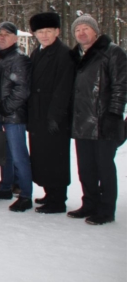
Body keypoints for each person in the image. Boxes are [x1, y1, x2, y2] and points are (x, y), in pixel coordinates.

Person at [69, 14, 126, 225]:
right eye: (77, 30)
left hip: (104, 121)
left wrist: (114, 114)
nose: (81, 33)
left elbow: (121, 85)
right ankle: (89, 203)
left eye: (85, 28)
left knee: (104, 166)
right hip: (82, 122)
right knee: (86, 167)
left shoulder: (113, 52)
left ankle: (106, 210)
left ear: (95, 30)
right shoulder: (76, 56)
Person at [26, 12, 75, 215]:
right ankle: (49, 192)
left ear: (57, 31)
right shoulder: (37, 52)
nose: (44, 35)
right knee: (42, 156)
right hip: (37, 113)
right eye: (40, 32)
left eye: (48, 31)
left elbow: (64, 88)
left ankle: (58, 199)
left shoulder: (64, 54)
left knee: (56, 157)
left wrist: (55, 116)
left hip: (54, 115)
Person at [0, 22, 33, 212]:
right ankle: (5, 186)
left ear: (15, 38)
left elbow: (22, 90)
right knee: (6, 155)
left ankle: (26, 194)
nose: (2, 37)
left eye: (7, 34)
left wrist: (5, 108)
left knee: (19, 155)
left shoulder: (19, 59)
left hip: (14, 117)